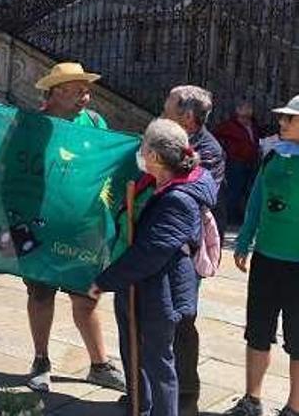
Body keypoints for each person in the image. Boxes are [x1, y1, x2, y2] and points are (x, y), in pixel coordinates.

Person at [92, 118, 215, 416]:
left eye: (144, 145)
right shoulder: (162, 183)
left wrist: (104, 281)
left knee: (157, 361)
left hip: (159, 293)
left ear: (157, 157)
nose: (141, 151)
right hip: (145, 287)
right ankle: (140, 407)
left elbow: (151, 252)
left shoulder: (179, 198)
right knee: (139, 355)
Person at [24, 62, 125, 392]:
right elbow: (14, 174)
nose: (86, 97)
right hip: (41, 225)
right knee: (41, 294)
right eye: (79, 91)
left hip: (83, 227)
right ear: (55, 93)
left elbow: (109, 166)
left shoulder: (95, 122)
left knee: (86, 297)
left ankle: (99, 364)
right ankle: (41, 360)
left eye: (86, 90)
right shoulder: (34, 126)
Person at [225, 94, 299, 416]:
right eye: (282, 117)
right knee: (257, 330)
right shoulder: (273, 157)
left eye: (289, 118)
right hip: (267, 258)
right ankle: (251, 400)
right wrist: (244, 240)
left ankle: (294, 408)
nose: (281, 122)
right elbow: (256, 199)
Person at [162, 84, 224, 414]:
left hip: (186, 250)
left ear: (187, 117)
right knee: (154, 319)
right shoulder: (164, 139)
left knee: (182, 319)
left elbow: (199, 194)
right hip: (156, 246)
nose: (162, 111)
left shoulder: (209, 150)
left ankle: (186, 396)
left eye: (168, 107)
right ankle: (151, 389)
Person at [214, 98, 261, 225]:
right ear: (238, 110)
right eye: (245, 108)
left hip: (251, 161)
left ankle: (242, 217)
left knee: (248, 190)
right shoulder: (230, 125)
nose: (248, 111)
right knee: (234, 190)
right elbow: (216, 135)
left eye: (250, 108)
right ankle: (229, 218)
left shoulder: (253, 125)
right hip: (236, 161)